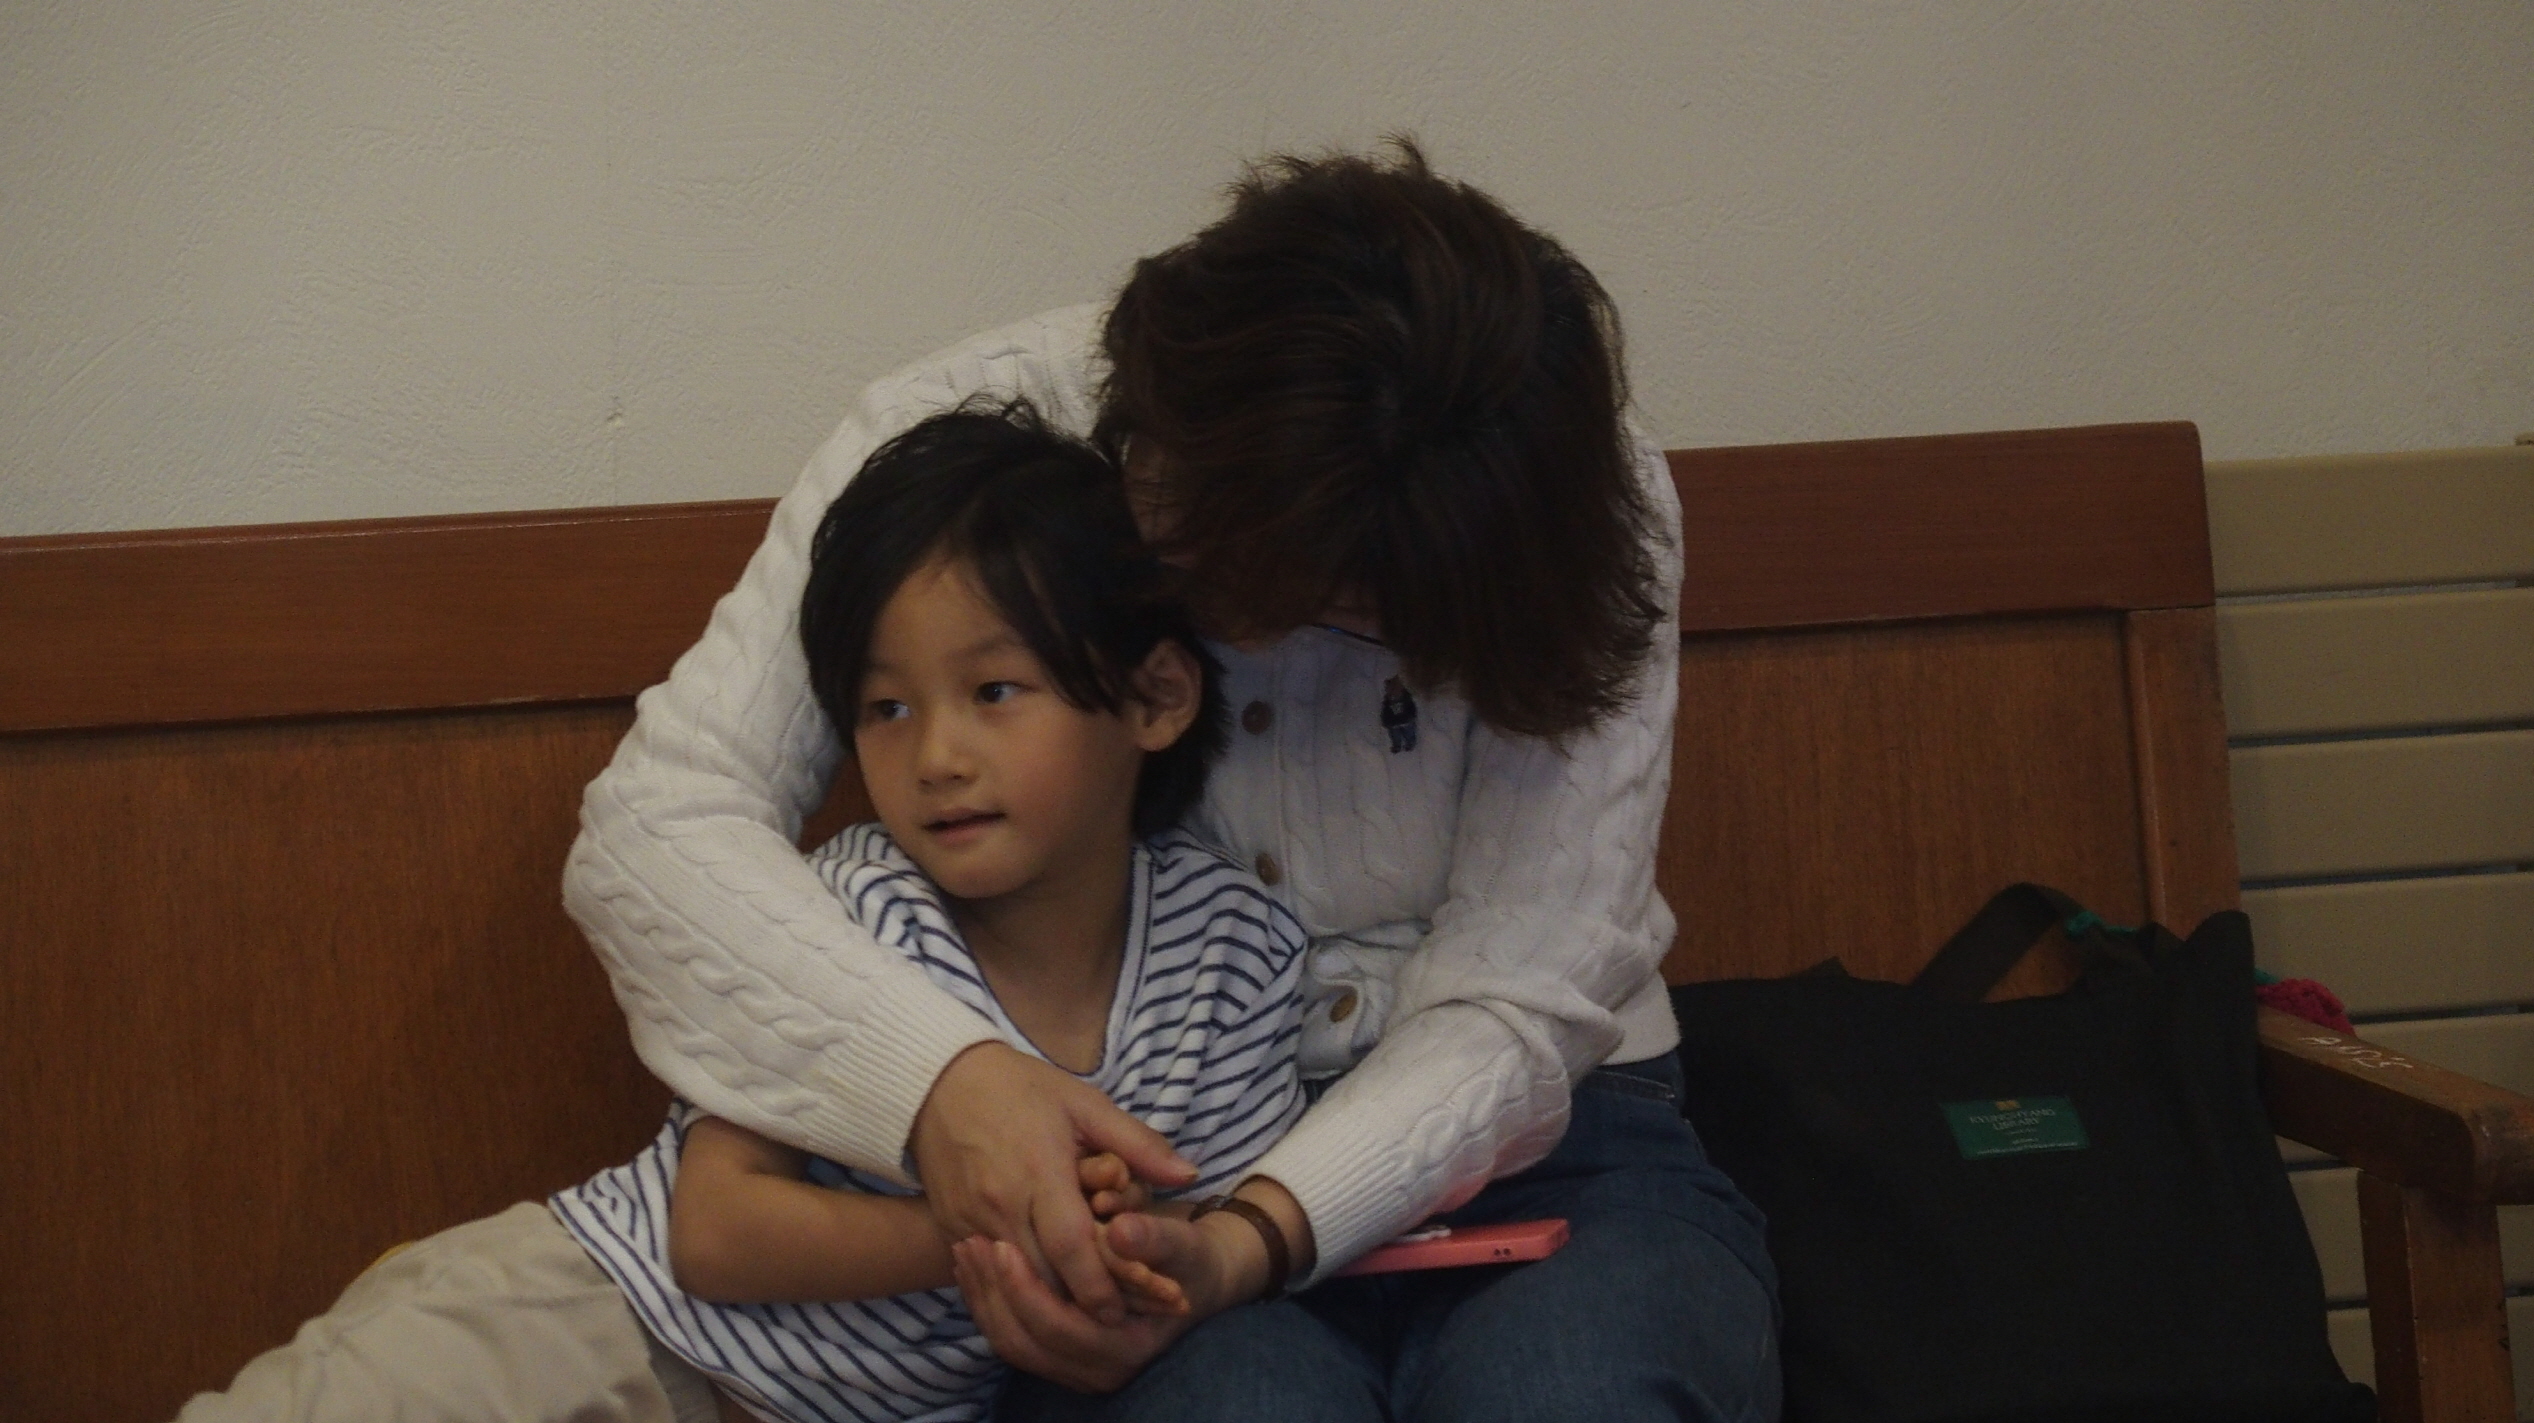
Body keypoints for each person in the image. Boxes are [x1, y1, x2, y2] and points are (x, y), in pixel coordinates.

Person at [568, 141, 1781, 1422]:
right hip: (1151, 1166)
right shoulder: (958, 437)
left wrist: (1259, 1234)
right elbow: (658, 825)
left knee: (1578, 1394)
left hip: (1548, 1137)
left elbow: (1522, 990)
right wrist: (944, 1084)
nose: (1320, 633)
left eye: (1372, 615)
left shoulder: (1558, 494)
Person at [174, 406, 1306, 1423]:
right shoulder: (857, 908)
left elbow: (1217, 1229)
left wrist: (1126, 1242)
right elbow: (714, 1231)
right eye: (885, 706)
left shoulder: (1232, 955)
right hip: (604, 1325)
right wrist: (993, 1226)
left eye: (993, 690)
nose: (936, 755)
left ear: (1155, 696)